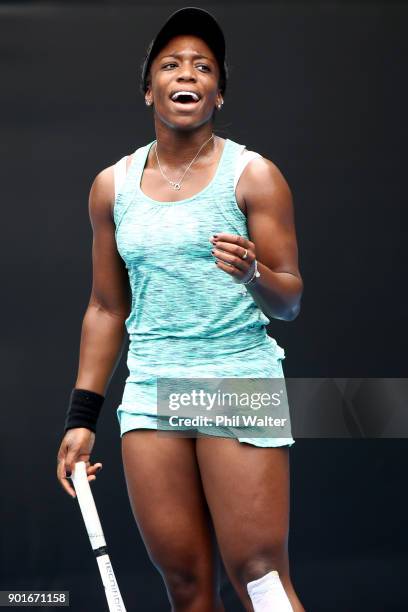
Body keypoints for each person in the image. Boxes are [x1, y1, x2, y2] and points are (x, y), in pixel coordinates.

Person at [57, 7, 305, 611]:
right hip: (152, 390)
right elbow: (105, 307)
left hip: (235, 377)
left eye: (203, 65)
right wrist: (81, 416)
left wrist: (255, 274)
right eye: (170, 64)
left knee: (260, 578)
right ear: (150, 89)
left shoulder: (255, 176)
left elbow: (291, 298)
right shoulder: (111, 187)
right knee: (187, 587)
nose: (186, 72)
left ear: (218, 93)